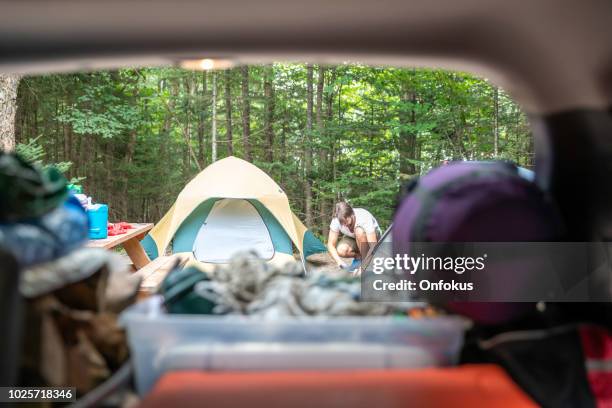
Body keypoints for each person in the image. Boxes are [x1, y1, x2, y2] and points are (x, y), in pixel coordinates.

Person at [327, 201, 381, 270]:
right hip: (354, 238)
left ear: (352, 214)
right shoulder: (336, 221)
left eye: (348, 223)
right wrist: (339, 262)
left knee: (359, 231)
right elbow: (330, 245)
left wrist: (363, 267)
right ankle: (360, 258)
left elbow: (373, 246)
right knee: (341, 250)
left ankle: (367, 262)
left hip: (373, 238)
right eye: (343, 224)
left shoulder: (363, 216)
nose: (347, 226)